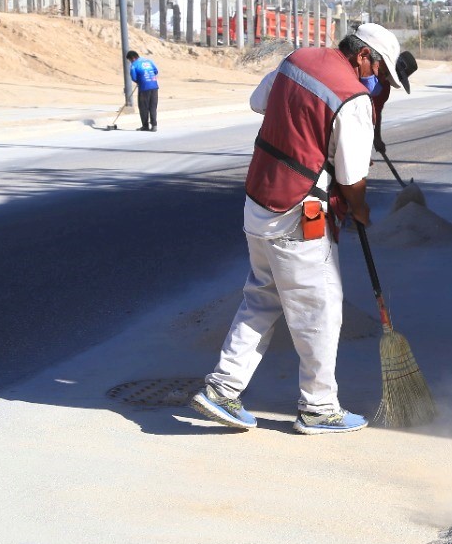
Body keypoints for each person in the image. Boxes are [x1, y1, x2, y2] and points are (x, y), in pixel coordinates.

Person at [189, 23, 411, 435]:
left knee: (262, 298)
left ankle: (221, 390)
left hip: (258, 201)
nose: (377, 79)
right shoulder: (354, 98)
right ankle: (319, 407)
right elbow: (351, 176)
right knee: (320, 308)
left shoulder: (298, 59)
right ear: (364, 56)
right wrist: (359, 209)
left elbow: (259, 102)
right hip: (299, 212)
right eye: (379, 70)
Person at [126, 50, 159, 131]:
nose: (130, 62)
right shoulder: (149, 61)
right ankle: (154, 125)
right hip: (154, 86)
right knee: (153, 106)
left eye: (130, 60)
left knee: (143, 107)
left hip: (144, 87)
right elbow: (156, 71)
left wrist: (139, 81)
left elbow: (133, 77)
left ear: (132, 58)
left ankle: (145, 126)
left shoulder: (134, 65)